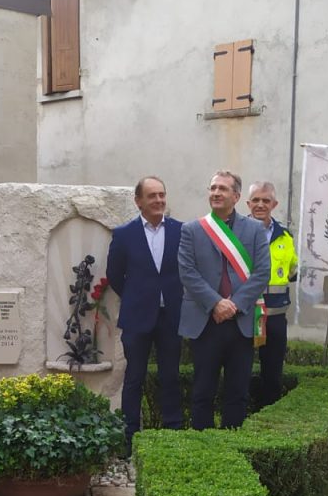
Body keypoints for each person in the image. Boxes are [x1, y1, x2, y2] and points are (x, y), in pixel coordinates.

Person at [177, 170, 269, 430]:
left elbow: (263, 272)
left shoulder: (254, 229)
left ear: (237, 196)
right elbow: (187, 272)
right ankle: (203, 445)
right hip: (206, 321)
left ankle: (232, 443)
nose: (216, 193)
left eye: (223, 189)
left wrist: (234, 305)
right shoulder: (192, 230)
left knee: (237, 392)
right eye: (213, 188)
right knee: (202, 391)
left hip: (240, 322)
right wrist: (216, 303)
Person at [106, 176, 184, 452]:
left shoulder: (179, 231)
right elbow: (114, 274)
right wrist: (136, 296)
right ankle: (130, 437)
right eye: (152, 196)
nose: (159, 200)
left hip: (171, 317)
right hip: (138, 317)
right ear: (138, 201)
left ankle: (173, 434)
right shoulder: (124, 234)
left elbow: (186, 272)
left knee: (170, 376)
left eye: (162, 195)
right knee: (134, 377)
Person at [247, 180, 298, 407]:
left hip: (275, 314)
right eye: (255, 200)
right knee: (240, 369)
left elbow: (292, 270)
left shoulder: (285, 237)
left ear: (274, 204)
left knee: (273, 372)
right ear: (248, 203)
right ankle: (240, 416)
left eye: (265, 200)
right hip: (244, 312)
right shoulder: (234, 233)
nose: (260, 204)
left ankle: (267, 416)